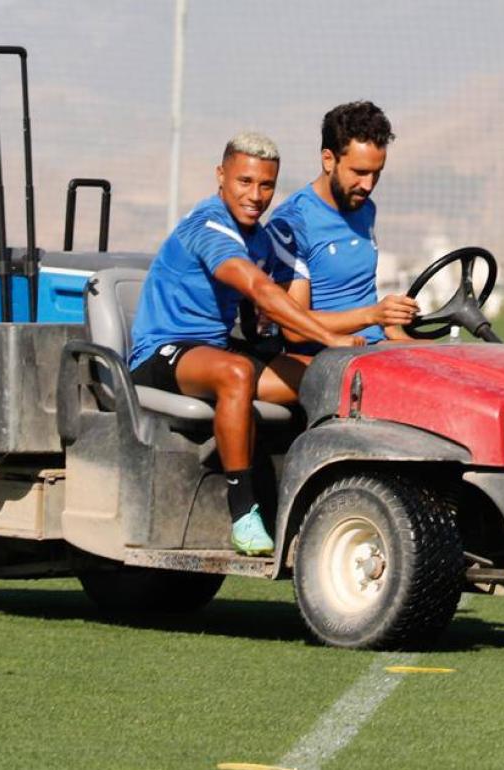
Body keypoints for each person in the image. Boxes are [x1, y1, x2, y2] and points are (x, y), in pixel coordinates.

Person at [127, 132, 365, 556]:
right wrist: (328, 335)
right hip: (163, 354)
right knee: (235, 372)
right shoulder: (208, 225)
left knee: (323, 376)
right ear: (222, 176)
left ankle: (324, 494)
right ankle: (243, 512)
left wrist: (311, 337)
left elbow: (274, 303)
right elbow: (256, 286)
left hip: (215, 353)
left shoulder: (258, 238)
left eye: (266, 186)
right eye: (245, 182)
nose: (255, 196)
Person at [266, 101, 417, 352]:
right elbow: (293, 328)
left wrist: (402, 334)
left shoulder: (365, 208)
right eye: (359, 172)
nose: (368, 185)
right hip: (328, 360)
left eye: (376, 173)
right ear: (328, 160)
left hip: (375, 348)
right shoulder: (292, 223)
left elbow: (367, 300)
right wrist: (373, 316)